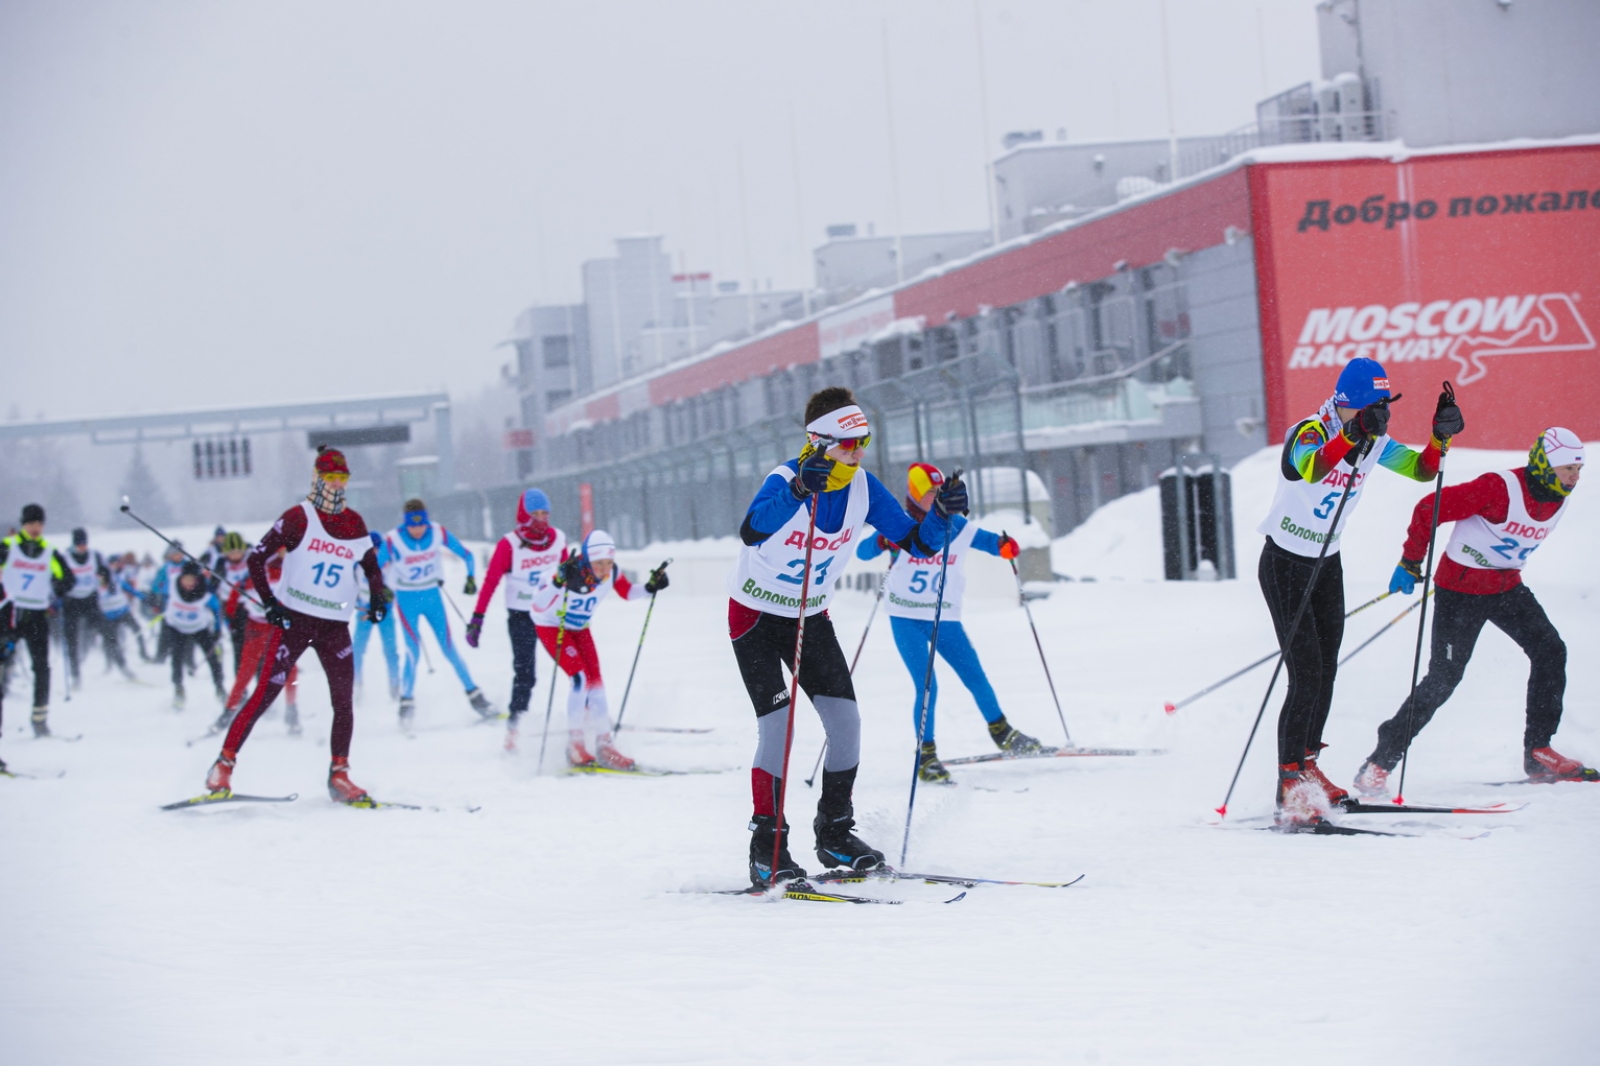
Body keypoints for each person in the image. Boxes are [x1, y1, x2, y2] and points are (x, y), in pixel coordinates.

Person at [730, 386, 965, 886]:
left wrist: (942, 517)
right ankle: (767, 848)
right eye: (849, 443)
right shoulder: (785, 478)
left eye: (864, 441)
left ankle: (835, 833)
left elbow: (915, 543)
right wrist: (799, 490)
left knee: (847, 723)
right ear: (818, 441)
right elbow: (752, 530)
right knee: (779, 728)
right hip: (756, 615)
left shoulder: (863, 487)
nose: (858, 452)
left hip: (810, 617)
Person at [1255, 359, 1461, 827]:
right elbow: (1309, 468)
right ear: (1347, 404)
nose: (1381, 417)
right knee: (1306, 673)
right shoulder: (1309, 431)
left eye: (1384, 408)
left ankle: (1308, 765)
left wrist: (1439, 437)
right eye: (1373, 409)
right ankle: (1289, 782)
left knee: (1327, 671)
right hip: (1286, 564)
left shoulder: (1374, 440)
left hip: (1327, 564)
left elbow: (1422, 471)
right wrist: (1353, 434)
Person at [1354, 427, 1589, 792]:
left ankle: (1538, 751)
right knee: (1443, 679)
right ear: (1545, 465)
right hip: (1460, 591)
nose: (1575, 477)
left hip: (1505, 587)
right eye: (1567, 469)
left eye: (1578, 469)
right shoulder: (1498, 488)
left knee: (1550, 650)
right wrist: (1410, 561)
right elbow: (1429, 507)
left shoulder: (1557, 499)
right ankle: (1378, 763)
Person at [203, 446, 389, 804]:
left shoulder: (354, 522)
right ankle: (223, 765)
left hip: (335, 626)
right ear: (317, 479)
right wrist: (270, 604)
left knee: (343, 702)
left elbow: (370, 566)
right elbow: (257, 559)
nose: (337, 485)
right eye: (330, 477)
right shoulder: (298, 517)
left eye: (342, 478)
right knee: (264, 694)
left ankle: (340, 774)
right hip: (296, 623)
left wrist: (378, 599)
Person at [856, 462, 1030, 782]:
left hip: (944, 616)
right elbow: (862, 553)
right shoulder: (899, 525)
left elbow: (990, 542)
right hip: (906, 616)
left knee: (974, 675)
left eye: (940, 492)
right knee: (927, 685)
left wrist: (1005, 547)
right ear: (914, 494)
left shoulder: (956, 525)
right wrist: (881, 542)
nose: (937, 497)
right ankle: (926, 756)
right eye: (930, 492)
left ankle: (1002, 732)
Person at [526, 529, 662, 765]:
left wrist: (650, 587)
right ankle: (575, 745)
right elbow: (537, 606)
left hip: (580, 628)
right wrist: (558, 582)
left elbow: (627, 592)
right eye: (599, 563)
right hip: (552, 626)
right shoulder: (567, 571)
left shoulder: (612, 573)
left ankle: (605, 744)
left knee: (596, 682)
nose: (605, 569)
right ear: (587, 559)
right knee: (579, 678)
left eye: (609, 562)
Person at [466, 488, 568, 742]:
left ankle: (589, 714)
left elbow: (569, 575)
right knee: (526, 674)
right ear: (524, 515)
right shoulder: (509, 544)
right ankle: (515, 725)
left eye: (545, 513)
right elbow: (490, 582)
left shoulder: (558, 539)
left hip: (552, 614)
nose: (541, 519)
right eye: (535, 514)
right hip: (522, 616)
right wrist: (477, 618)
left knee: (575, 667)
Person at [379, 498, 491, 728]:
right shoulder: (393, 539)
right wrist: (381, 588)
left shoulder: (437, 532)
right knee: (412, 651)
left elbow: (467, 555)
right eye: (413, 526)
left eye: (421, 525)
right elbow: (373, 567)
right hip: (407, 599)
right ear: (406, 523)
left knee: (448, 647)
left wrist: (470, 577)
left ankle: (476, 696)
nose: (418, 530)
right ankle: (406, 704)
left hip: (432, 598)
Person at [0, 504, 75, 736]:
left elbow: (68, 578)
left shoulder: (49, 552)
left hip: (36, 616)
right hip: (9, 615)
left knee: (42, 668)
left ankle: (39, 720)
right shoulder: (9, 546)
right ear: (23, 524)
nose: (35, 528)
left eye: (39, 524)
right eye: (31, 523)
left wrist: (59, 586)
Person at [214, 550, 300, 736]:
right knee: (246, 672)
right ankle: (228, 713)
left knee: (290, 669)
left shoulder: (290, 571)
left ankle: (292, 711)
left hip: (279, 628)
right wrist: (233, 617)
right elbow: (233, 600)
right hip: (256, 629)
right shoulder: (251, 578)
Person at [163, 561, 227, 711]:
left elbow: (217, 609)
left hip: (199, 628)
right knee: (176, 658)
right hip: (176, 627)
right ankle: (178, 689)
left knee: (213, 658)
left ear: (197, 580)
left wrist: (218, 629)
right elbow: (161, 592)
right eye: (186, 579)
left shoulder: (206, 592)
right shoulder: (172, 582)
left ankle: (220, 688)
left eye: (192, 580)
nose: (189, 583)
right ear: (181, 577)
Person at [60, 528, 109, 686]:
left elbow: (105, 573)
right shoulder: (65, 558)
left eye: (84, 544)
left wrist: (104, 579)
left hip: (90, 600)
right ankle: (75, 675)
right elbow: (57, 578)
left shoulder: (95, 556)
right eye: (79, 544)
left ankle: (118, 665)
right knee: (71, 640)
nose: (82, 547)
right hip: (72, 602)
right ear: (73, 544)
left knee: (107, 632)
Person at [352, 556, 399, 702]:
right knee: (357, 650)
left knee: (390, 650)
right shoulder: (357, 564)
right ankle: (356, 686)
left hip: (384, 611)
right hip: (364, 609)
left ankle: (395, 686)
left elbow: (392, 589)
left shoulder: (388, 564)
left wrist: (384, 597)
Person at [94, 553, 141, 679]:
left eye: (102, 577)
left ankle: (143, 654)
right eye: (98, 577)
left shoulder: (116, 581)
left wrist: (146, 598)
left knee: (137, 630)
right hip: (108, 618)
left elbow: (132, 590)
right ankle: (118, 666)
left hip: (123, 612)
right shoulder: (95, 587)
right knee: (111, 643)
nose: (100, 580)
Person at [216, 532, 253, 673]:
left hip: (250, 606)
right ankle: (239, 676)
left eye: (238, 551)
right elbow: (213, 584)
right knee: (238, 644)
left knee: (256, 642)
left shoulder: (252, 557)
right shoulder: (221, 563)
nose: (235, 555)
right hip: (231, 607)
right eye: (231, 552)